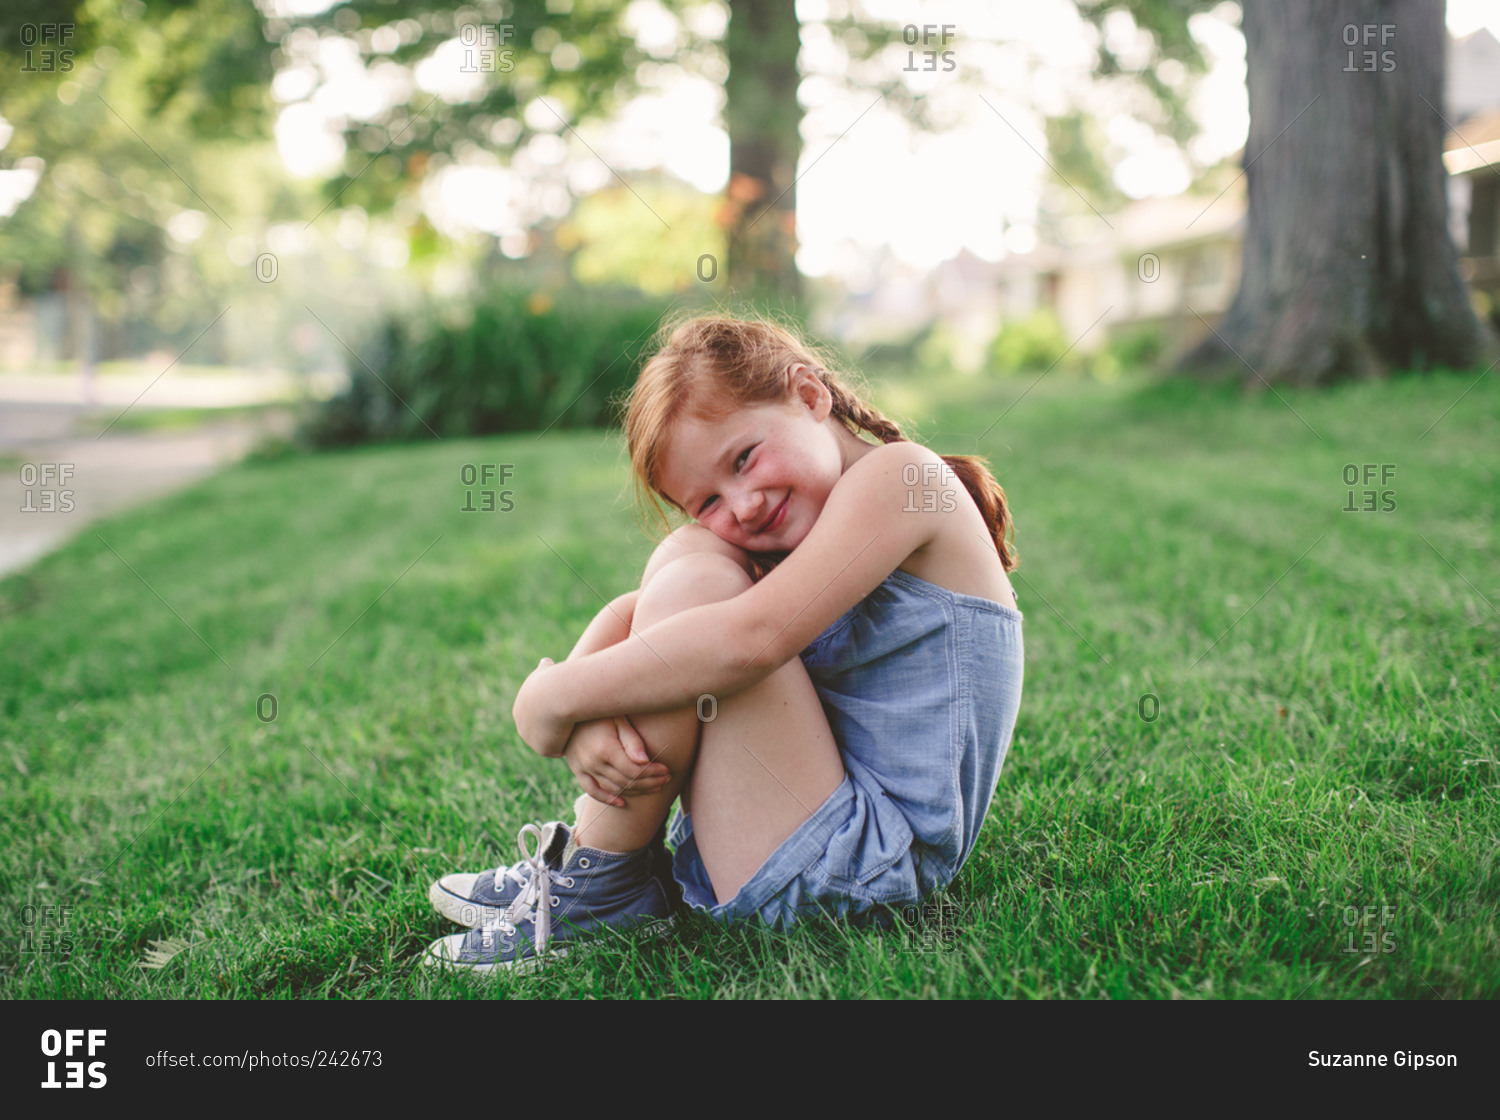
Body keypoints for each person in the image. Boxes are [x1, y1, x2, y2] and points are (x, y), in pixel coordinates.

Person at [424, 314, 1024, 971]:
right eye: (706, 499)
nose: (740, 505)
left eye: (743, 459)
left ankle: (601, 885)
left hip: (871, 866)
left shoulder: (904, 481)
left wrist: (550, 698)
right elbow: (642, 614)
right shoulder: (794, 523)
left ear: (810, 395)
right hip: (804, 830)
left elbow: (750, 641)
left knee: (703, 599)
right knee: (692, 558)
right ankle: (597, 866)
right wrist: (574, 701)